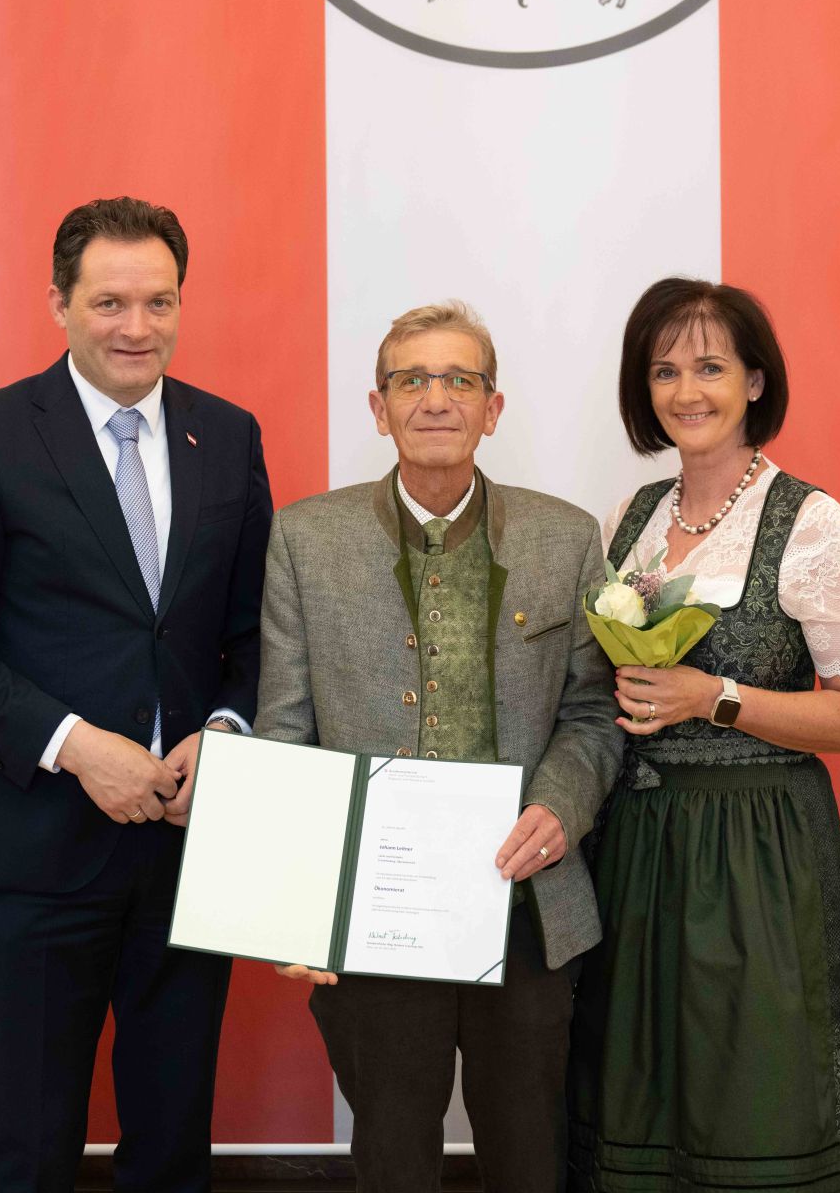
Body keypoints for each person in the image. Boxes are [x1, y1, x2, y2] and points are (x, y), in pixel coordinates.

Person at [0, 196, 272, 1193]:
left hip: (189, 850)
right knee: (28, 1150)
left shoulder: (227, 435)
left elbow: (254, 636)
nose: (135, 326)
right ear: (59, 303)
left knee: (173, 1148)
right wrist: (76, 745)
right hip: (35, 851)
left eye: (158, 301)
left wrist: (226, 729)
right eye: (109, 301)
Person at [256, 300, 621, 1193]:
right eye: (410, 379)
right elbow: (286, 729)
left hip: (526, 901)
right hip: (373, 917)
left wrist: (560, 807)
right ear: (377, 408)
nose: (435, 398)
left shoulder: (566, 536)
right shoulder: (305, 538)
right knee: (391, 1157)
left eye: (460, 379)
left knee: (531, 1157)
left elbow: (593, 711)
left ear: (492, 409)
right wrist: (295, 908)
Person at [567, 278, 840, 1193]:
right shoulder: (628, 519)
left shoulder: (808, 523)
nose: (686, 391)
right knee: (638, 1094)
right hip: (637, 847)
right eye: (664, 371)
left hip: (759, 854)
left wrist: (713, 696)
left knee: (756, 1092)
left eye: (709, 368)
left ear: (754, 382)